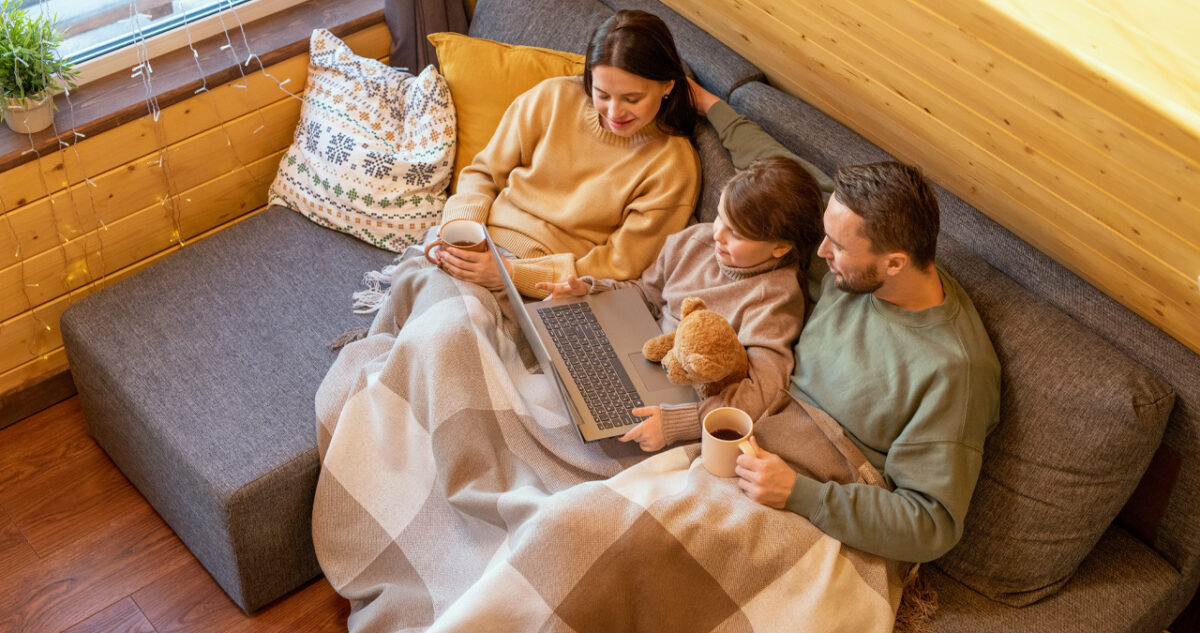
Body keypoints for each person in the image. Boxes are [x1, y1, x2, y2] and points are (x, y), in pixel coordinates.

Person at [689, 81, 1001, 563]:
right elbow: (775, 170)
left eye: (836, 246)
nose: (819, 251)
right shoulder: (850, 230)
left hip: (816, 497)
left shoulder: (953, 371)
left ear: (894, 263)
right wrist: (710, 105)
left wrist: (800, 494)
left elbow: (932, 524)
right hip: (751, 434)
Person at [537, 156, 825, 452]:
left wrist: (680, 422)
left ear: (780, 247)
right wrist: (589, 289)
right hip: (642, 356)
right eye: (720, 217)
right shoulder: (694, 241)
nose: (718, 235)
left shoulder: (776, 297)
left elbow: (764, 391)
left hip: (686, 408)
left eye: (736, 233)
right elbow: (646, 293)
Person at [431, 10, 702, 298]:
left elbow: (619, 264)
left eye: (632, 99)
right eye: (602, 94)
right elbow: (483, 172)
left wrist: (511, 275)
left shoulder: (672, 166)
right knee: (420, 294)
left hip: (540, 282)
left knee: (449, 325)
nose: (614, 112)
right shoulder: (552, 97)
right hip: (478, 241)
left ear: (667, 86)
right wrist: (461, 227)